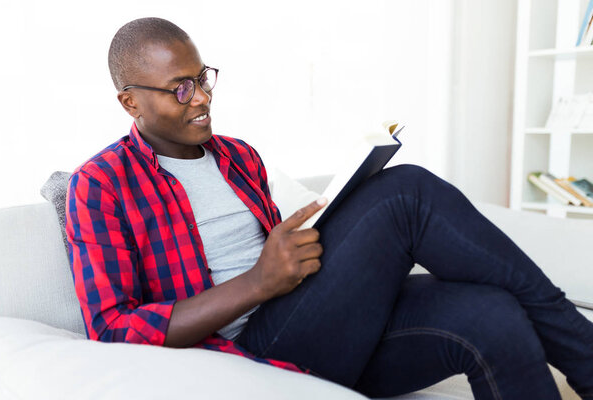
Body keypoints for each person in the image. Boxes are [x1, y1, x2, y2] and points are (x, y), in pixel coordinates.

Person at [65, 17, 593, 399]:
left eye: (203, 78)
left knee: (490, 315)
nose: (200, 97)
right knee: (404, 191)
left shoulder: (237, 154)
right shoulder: (101, 185)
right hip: (249, 353)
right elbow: (112, 330)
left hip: (311, 327)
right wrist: (258, 282)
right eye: (179, 89)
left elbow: (282, 265)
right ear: (130, 102)